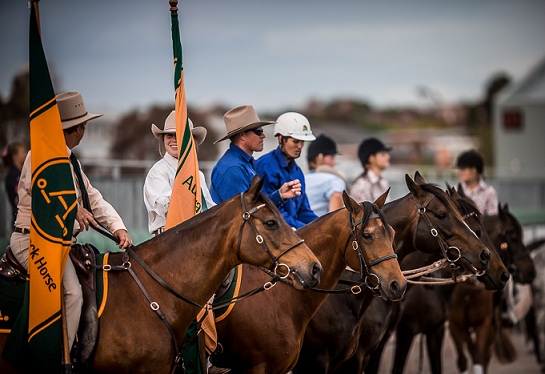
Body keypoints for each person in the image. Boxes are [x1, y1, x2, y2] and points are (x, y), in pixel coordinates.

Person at [9, 91, 132, 350]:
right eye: (84, 125)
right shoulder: (40, 155)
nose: (85, 130)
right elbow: (42, 193)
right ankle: (59, 359)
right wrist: (74, 209)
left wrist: (117, 227)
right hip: (33, 241)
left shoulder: (70, 162)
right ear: (78, 129)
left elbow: (93, 198)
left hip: (58, 242)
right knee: (72, 294)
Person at [210, 105, 302, 205]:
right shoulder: (232, 169)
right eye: (258, 131)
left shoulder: (242, 163)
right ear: (242, 135)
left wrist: (280, 195)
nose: (263, 135)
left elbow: (253, 207)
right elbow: (246, 211)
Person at [143, 110, 214, 236]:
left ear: (190, 140)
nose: (174, 140)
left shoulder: (198, 175)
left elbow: (209, 208)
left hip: (196, 236)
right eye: (169, 135)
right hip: (168, 239)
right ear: (163, 139)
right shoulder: (158, 172)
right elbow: (164, 207)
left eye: (180, 135)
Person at [254, 112, 318, 229]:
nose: (300, 146)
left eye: (302, 142)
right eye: (295, 141)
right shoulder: (265, 166)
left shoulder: (297, 172)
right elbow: (270, 211)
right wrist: (308, 230)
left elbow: (304, 210)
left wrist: (322, 225)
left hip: (293, 231)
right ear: (281, 138)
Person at [305, 133, 348, 216]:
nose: (334, 162)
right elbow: (337, 196)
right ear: (319, 158)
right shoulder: (333, 179)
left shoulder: (300, 179)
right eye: (331, 158)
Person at [455, 149, 498, 216]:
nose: (461, 172)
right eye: (460, 169)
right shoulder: (456, 190)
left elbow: (493, 218)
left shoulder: (489, 191)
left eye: (463, 169)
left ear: (474, 170)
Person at [351, 137, 392, 203]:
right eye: (383, 154)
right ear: (371, 158)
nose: (388, 157)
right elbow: (363, 213)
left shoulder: (383, 182)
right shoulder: (361, 186)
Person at [2, 141, 28, 225]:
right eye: (23, 152)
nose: (26, 154)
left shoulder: (21, 173)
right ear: (15, 156)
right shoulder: (13, 175)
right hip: (19, 219)